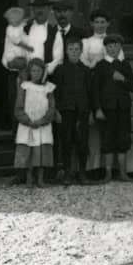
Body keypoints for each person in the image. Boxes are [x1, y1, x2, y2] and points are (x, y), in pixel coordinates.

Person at [92, 35, 133, 182]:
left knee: (123, 139)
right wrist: (98, 108)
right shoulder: (101, 66)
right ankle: (108, 173)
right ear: (106, 48)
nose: (113, 49)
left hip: (123, 108)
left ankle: (123, 173)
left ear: (120, 48)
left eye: (116, 46)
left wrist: (123, 79)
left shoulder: (125, 65)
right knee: (108, 139)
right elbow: (96, 89)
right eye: (110, 46)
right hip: (107, 109)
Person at [51, 34, 92, 185]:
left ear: (81, 51)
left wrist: (91, 112)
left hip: (82, 111)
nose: (74, 51)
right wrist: (56, 111)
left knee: (82, 141)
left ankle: (82, 172)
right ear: (66, 51)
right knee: (66, 141)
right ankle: (67, 172)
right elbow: (55, 92)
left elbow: (90, 92)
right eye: (71, 49)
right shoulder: (60, 70)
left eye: (77, 49)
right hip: (65, 110)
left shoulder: (86, 71)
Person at [13, 58, 57, 188]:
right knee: (29, 151)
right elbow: (18, 107)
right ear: (30, 72)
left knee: (41, 151)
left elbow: (51, 108)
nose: (36, 73)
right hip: (28, 125)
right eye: (33, 71)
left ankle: (40, 178)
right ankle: (29, 177)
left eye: (39, 71)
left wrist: (42, 121)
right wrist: (27, 121)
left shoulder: (49, 88)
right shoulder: (24, 86)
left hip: (42, 125)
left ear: (43, 72)